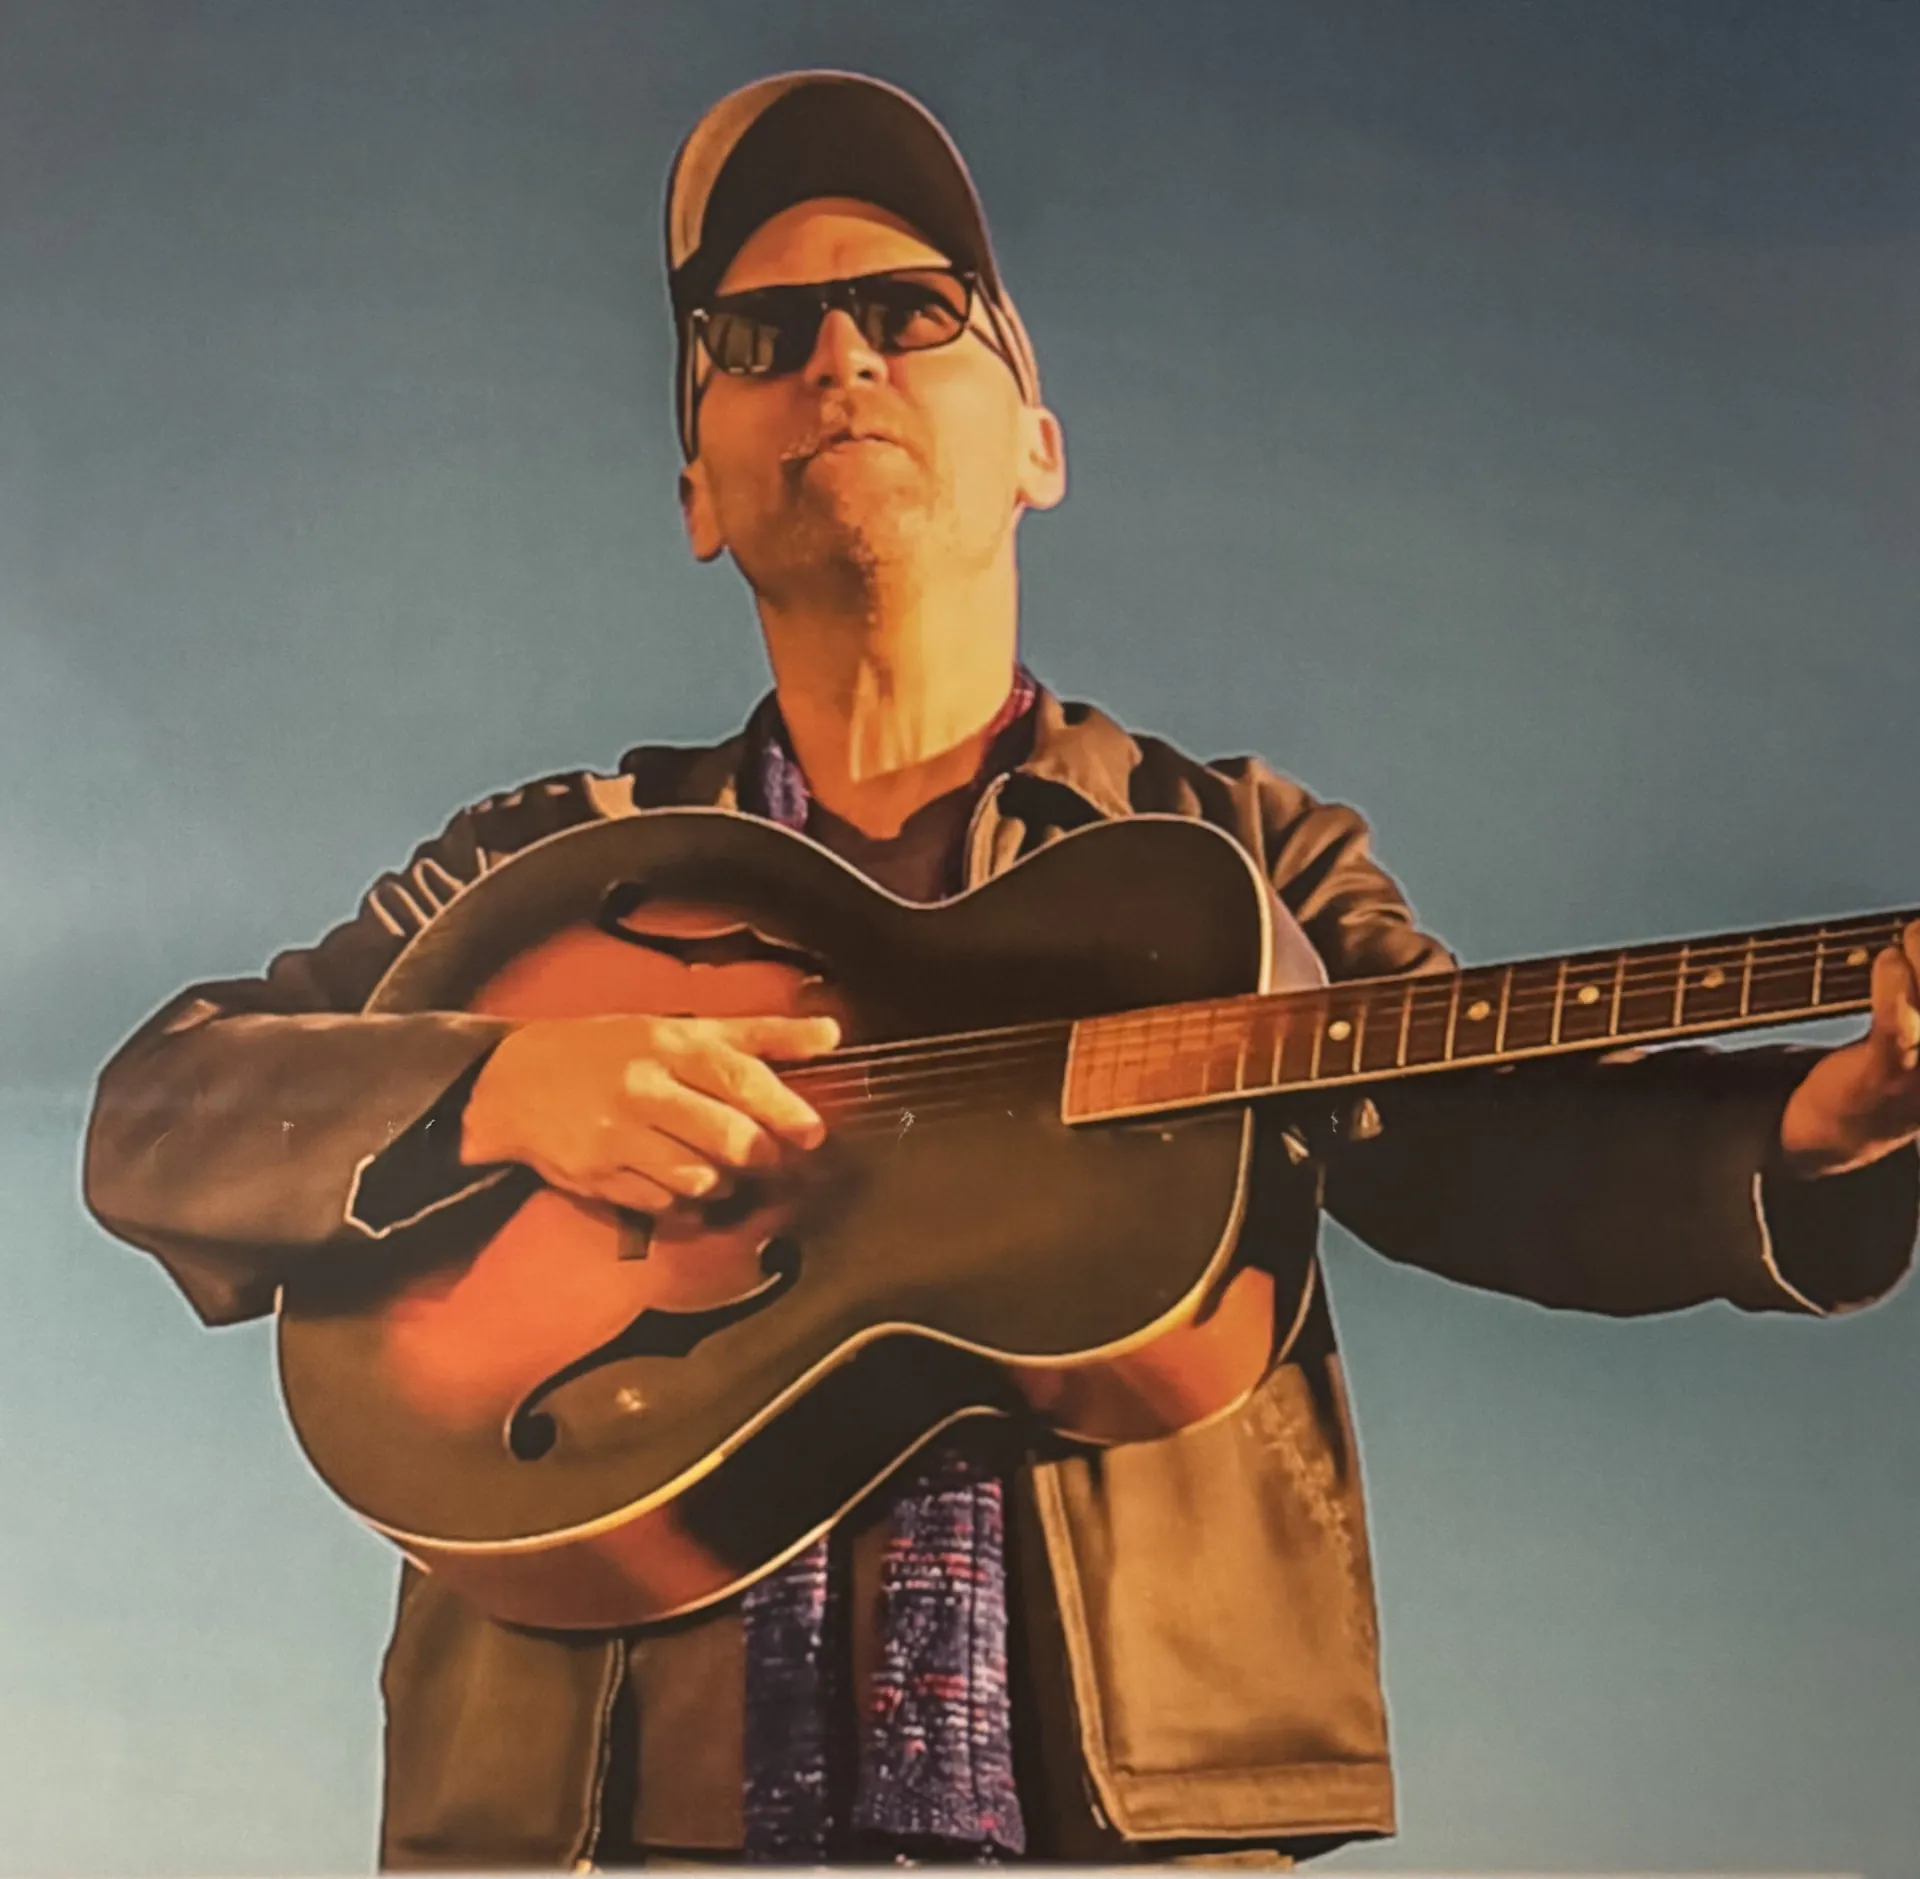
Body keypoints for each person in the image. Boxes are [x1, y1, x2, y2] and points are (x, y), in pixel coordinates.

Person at [83, 70, 1920, 1871]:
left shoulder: (1238, 859)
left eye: (911, 310)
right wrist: (498, 1084)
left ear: (1038, 444)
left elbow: (1475, 1141)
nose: (839, 360)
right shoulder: (550, 872)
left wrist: (1818, 1126)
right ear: (696, 492)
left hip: (1115, 1835)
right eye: (760, 333)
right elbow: (161, 1110)